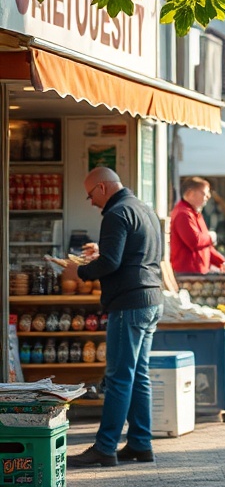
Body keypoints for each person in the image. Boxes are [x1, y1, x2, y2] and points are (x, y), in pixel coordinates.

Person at [65, 167, 164, 468]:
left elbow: (110, 262)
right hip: (151, 300)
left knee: (119, 378)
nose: (91, 202)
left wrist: (78, 272)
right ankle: (140, 444)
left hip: (130, 303)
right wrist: (102, 251)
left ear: (103, 188)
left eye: (90, 194)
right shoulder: (143, 208)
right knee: (138, 376)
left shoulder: (116, 213)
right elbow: (133, 252)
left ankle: (105, 447)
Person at [169, 177, 225, 274]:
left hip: (197, 272)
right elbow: (194, 241)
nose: (208, 196)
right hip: (187, 273)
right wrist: (210, 237)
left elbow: (206, 246)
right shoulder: (183, 214)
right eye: (204, 193)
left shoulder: (195, 214)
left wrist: (222, 262)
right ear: (191, 194)